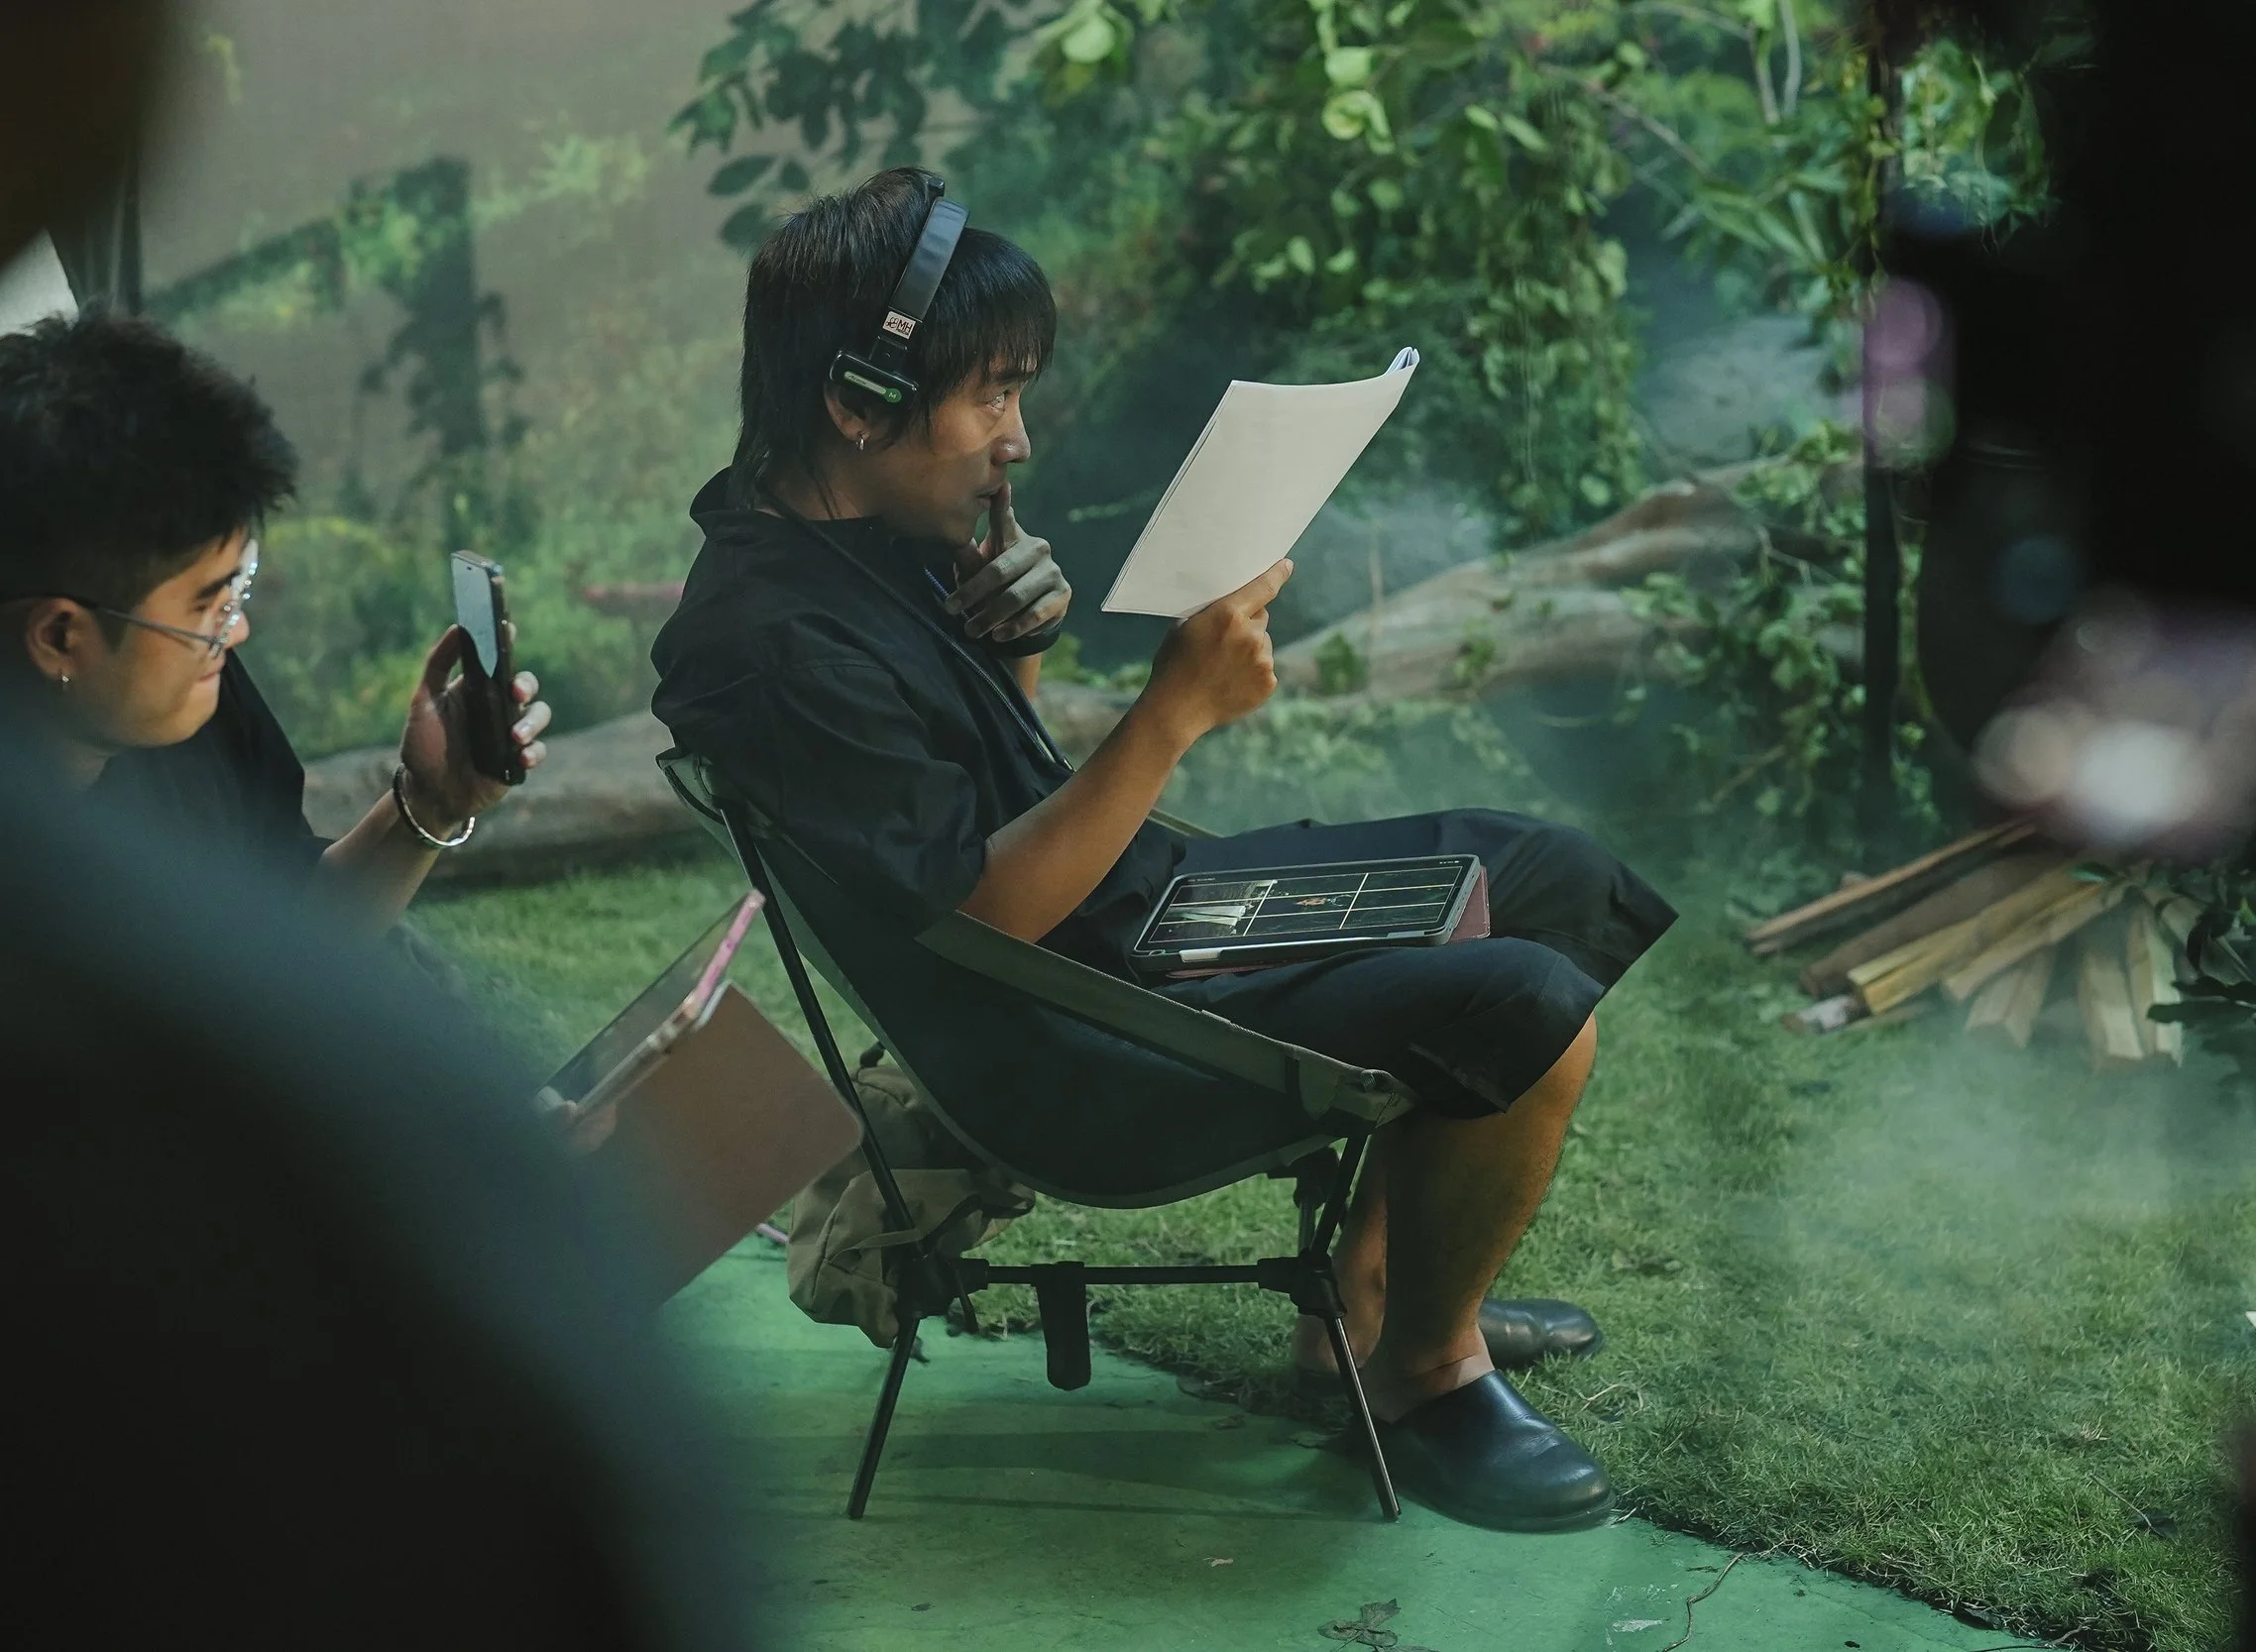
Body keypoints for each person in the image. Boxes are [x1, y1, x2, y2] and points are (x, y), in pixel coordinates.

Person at [651, 167, 1676, 1533]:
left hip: (1128, 929)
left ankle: (1369, 1300)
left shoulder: (855, 536)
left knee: (1551, 873)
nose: (1016, 438)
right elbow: (984, 916)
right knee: (1529, 1005)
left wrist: (1011, 651)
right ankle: (1424, 1372)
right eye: (993, 396)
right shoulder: (771, 643)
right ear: (858, 400)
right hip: (1092, 1036)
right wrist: (1174, 709)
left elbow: (976, 804)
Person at [0, 312, 552, 935]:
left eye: (240, 585)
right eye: (209, 607)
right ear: (59, 638)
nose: (236, 632)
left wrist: (429, 803)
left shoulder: (190, 705)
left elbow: (290, 926)